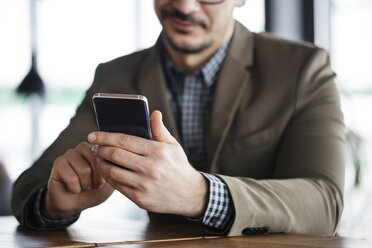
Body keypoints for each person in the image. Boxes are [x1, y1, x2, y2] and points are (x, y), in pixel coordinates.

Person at [12, 0, 345, 236]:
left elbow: (324, 203)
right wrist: (55, 203)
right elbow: (27, 188)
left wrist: (200, 194)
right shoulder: (114, 76)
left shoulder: (303, 69)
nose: (185, 6)